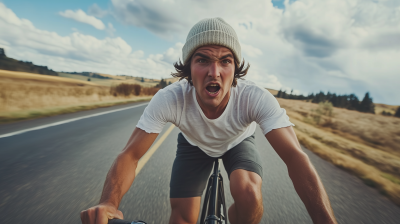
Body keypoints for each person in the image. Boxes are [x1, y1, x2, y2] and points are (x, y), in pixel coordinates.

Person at [81, 18, 338, 224]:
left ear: (235, 70)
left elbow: (295, 156)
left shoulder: (255, 98)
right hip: (193, 146)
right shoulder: (170, 98)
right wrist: (109, 203)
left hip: (239, 141)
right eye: (202, 59)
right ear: (188, 68)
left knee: (249, 192)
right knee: (183, 217)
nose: (214, 72)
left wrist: (325, 220)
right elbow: (130, 155)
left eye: (225, 61)